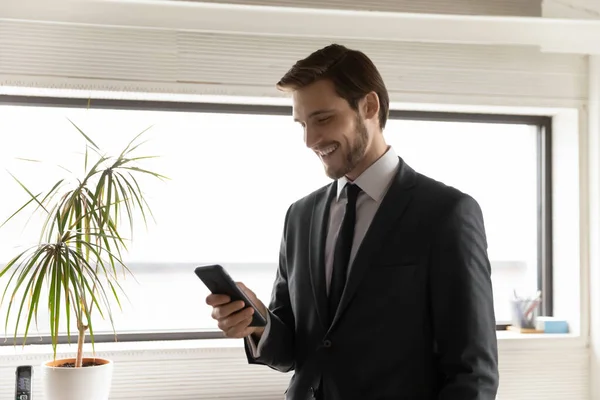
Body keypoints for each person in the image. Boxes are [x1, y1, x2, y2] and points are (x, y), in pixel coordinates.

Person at [206, 43, 499, 400]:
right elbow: (293, 353)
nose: (310, 140)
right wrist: (256, 322)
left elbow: (473, 374)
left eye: (323, 119)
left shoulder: (447, 213)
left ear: (369, 107)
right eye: (302, 124)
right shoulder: (300, 216)